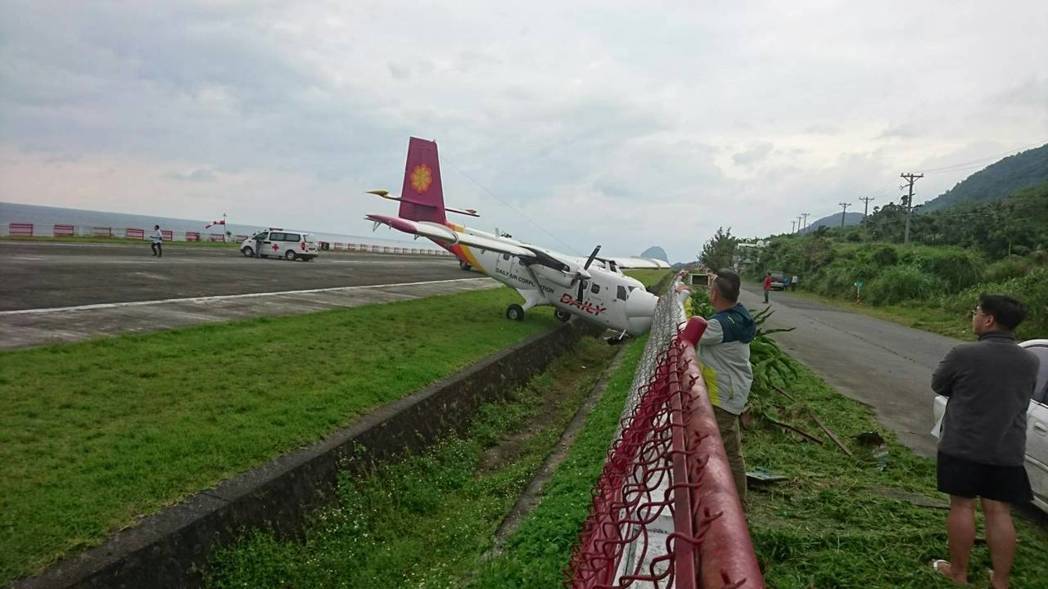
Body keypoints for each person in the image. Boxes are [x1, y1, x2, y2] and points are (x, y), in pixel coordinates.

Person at [930, 294, 1039, 588]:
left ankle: (958, 573)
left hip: (963, 446)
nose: (973, 316)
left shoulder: (963, 354)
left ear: (989, 320)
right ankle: (1000, 581)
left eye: (977, 312)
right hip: (1007, 450)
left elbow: (939, 384)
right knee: (999, 511)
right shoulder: (1030, 360)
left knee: (962, 507)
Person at [696, 269, 756, 503]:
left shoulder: (718, 326)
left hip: (724, 394)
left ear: (714, 293)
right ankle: (732, 500)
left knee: (726, 452)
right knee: (728, 450)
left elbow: (686, 334)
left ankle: (735, 505)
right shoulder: (738, 316)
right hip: (732, 390)